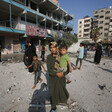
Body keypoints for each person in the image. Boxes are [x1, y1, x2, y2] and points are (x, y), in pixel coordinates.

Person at [47, 42, 69, 112]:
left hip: (61, 77)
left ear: (57, 47)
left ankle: (62, 100)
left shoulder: (62, 56)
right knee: (53, 92)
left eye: (54, 47)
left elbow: (67, 68)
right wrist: (56, 74)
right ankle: (53, 107)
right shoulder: (49, 57)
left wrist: (63, 73)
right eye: (51, 48)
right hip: (53, 78)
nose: (52, 49)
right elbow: (49, 69)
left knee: (61, 90)